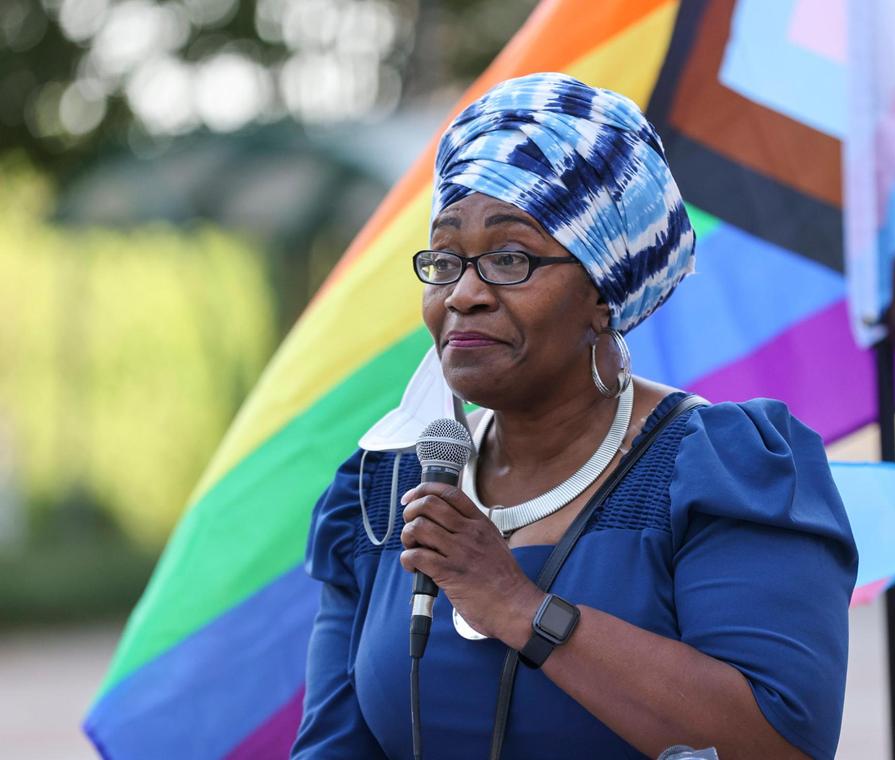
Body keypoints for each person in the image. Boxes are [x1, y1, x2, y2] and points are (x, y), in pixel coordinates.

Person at [292, 73, 857, 760]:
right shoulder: (384, 495)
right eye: (445, 260)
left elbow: (778, 744)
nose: (464, 294)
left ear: (603, 292)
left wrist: (516, 606)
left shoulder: (722, 470)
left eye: (510, 258)